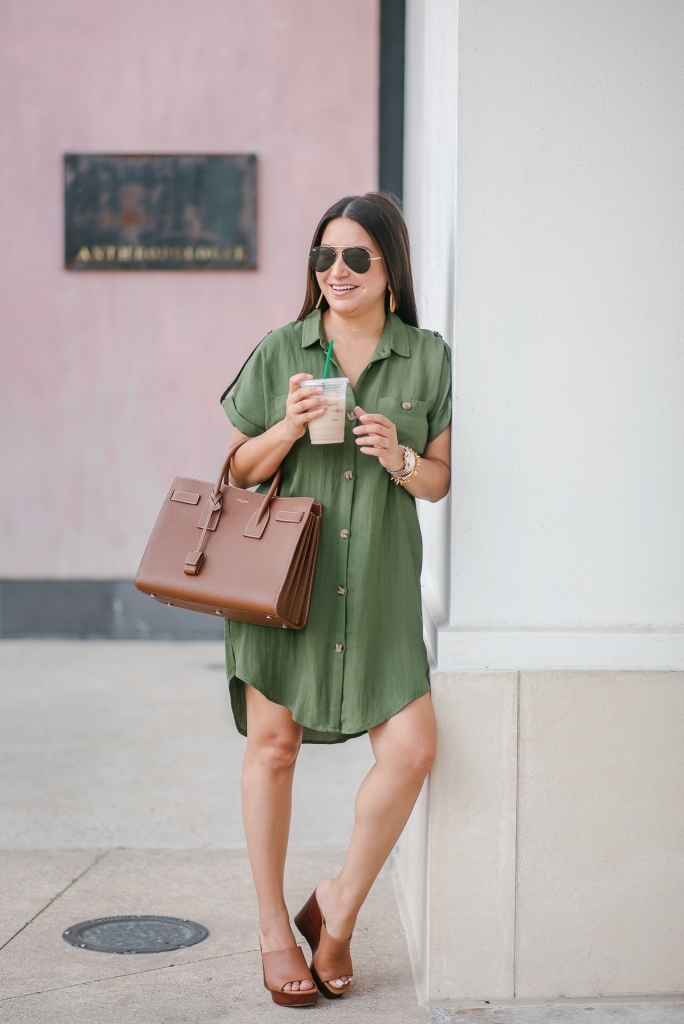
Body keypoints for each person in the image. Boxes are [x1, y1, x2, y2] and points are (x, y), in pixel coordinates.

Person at [220, 192, 451, 1006]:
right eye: (325, 256)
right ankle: (274, 931)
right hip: (289, 586)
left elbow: (440, 481)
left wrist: (397, 453)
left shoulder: (427, 358)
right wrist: (285, 427)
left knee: (414, 747)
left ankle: (336, 912)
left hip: (380, 591)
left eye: (357, 256)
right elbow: (239, 471)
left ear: (392, 267)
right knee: (273, 749)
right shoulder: (284, 348)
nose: (338, 271)